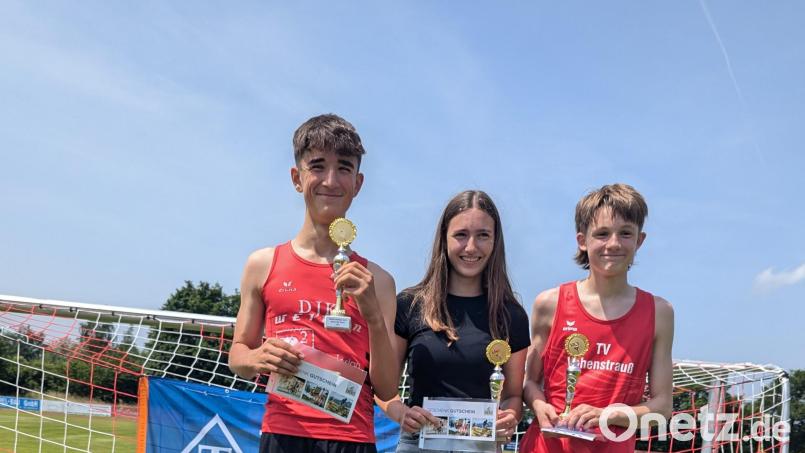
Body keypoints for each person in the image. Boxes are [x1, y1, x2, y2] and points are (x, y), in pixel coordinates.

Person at [229, 114, 399, 453]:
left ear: (359, 183)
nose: (331, 180)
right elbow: (238, 355)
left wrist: (374, 318)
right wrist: (258, 357)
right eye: (318, 166)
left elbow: (387, 387)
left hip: (352, 439)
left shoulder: (378, 281)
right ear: (297, 177)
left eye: (344, 168)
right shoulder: (262, 264)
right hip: (282, 432)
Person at [520, 183, 674, 453]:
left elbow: (662, 408)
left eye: (625, 233)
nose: (613, 243)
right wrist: (539, 405)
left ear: (640, 240)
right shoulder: (550, 304)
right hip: (545, 447)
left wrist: (608, 415)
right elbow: (530, 382)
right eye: (602, 234)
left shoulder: (659, 313)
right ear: (582, 240)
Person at [378, 190, 531, 453]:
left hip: (481, 445)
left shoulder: (512, 315)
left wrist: (509, 417)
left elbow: (513, 396)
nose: (471, 247)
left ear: (496, 241)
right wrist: (400, 413)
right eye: (461, 235)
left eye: (483, 235)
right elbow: (383, 388)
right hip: (417, 444)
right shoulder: (409, 304)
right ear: (444, 239)